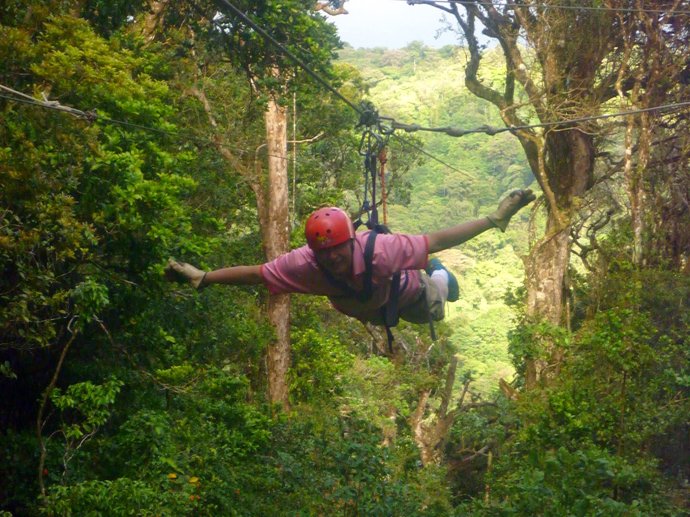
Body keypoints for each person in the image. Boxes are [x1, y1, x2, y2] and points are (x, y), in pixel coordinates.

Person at [166, 189, 535, 327]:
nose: (332, 261)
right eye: (324, 255)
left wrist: (493, 220)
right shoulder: (305, 265)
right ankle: (428, 268)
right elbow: (257, 275)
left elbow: (437, 238)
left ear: (351, 241)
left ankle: (434, 272)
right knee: (416, 290)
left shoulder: (379, 249)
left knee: (446, 293)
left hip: (414, 297)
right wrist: (205, 277)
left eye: (338, 251)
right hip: (381, 312)